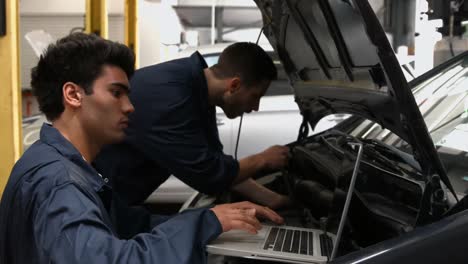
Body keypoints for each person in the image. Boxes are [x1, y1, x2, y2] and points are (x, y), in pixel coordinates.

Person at [0, 33, 284, 264]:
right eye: (116, 93)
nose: (130, 107)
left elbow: (131, 222)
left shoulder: (63, 163)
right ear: (73, 95)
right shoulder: (60, 184)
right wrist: (204, 224)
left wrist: (212, 220)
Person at [95, 42, 290, 209]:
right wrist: (263, 159)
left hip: (116, 196)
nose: (255, 107)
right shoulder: (174, 100)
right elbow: (211, 176)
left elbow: (218, 164)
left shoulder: (196, 89)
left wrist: (273, 200)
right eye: (255, 96)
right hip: (94, 195)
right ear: (234, 85)